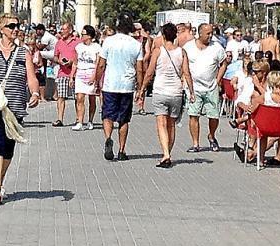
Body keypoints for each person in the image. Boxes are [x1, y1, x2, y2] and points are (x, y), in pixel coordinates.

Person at [0, 13, 40, 205]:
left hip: (16, 106)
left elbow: (31, 76)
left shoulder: (23, 53)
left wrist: (35, 93)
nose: (15, 29)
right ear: (1, 29)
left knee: (8, 149)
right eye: (11, 26)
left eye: (17, 26)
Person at [140, 23, 194, 168]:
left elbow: (150, 72)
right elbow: (187, 73)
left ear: (163, 36)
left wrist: (142, 89)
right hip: (176, 92)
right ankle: (167, 153)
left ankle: (165, 154)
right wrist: (192, 92)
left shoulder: (158, 51)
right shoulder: (182, 52)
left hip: (160, 91)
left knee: (161, 124)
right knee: (171, 124)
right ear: (175, 35)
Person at [96, 14, 143, 162]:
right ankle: (122, 150)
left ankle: (108, 138)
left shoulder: (108, 41)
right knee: (124, 119)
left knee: (108, 115)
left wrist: (97, 80)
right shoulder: (136, 44)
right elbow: (140, 68)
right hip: (127, 85)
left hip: (110, 83)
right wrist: (140, 88)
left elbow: (102, 64)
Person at [183, 23, 228, 153]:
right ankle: (195, 143)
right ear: (200, 33)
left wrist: (218, 79)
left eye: (211, 33)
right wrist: (184, 81)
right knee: (193, 115)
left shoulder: (216, 47)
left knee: (213, 116)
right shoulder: (189, 47)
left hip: (211, 87)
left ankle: (212, 136)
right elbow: (183, 64)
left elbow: (224, 63)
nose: (210, 36)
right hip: (194, 87)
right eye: (207, 33)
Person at [73, 26, 101, 131]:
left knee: (92, 98)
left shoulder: (97, 47)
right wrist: (72, 76)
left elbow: (98, 63)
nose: (81, 36)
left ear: (89, 36)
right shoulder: (78, 47)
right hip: (80, 73)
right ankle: (80, 121)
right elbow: (75, 62)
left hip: (91, 72)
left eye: (83, 34)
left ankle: (90, 120)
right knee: (79, 98)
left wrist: (95, 76)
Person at [50, 23, 78, 127]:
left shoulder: (78, 42)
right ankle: (60, 119)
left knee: (77, 98)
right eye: (61, 29)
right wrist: (60, 61)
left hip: (75, 73)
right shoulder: (59, 42)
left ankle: (78, 119)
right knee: (61, 97)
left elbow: (81, 56)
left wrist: (72, 62)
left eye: (64, 29)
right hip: (62, 73)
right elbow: (55, 57)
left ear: (70, 30)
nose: (62, 31)